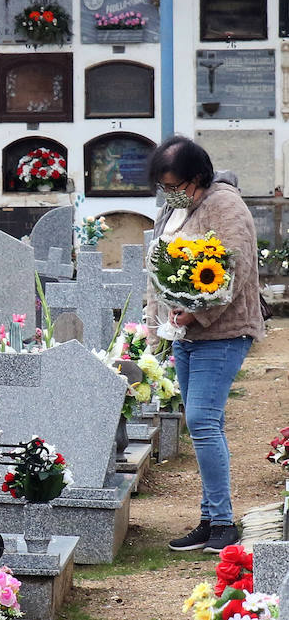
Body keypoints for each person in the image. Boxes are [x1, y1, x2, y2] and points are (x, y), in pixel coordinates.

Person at [146, 137, 263, 554]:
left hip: (223, 332)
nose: (169, 194)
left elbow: (236, 266)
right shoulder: (175, 208)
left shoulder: (225, 204)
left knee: (201, 420)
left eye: (174, 185)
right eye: (163, 187)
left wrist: (198, 313)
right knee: (201, 423)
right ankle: (211, 517)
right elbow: (157, 268)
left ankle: (223, 523)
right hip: (183, 334)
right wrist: (153, 326)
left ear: (196, 178)